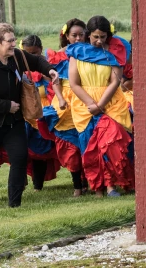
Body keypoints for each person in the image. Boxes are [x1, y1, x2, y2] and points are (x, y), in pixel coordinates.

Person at [0, 23, 58, 208]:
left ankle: (15, 203)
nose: (13, 44)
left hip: (14, 121)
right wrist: (6, 105)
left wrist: (49, 69)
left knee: (19, 158)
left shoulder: (17, 56)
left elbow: (36, 61)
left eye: (13, 40)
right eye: (10, 41)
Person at [67, 16, 134, 197]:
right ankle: (98, 187)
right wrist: (91, 104)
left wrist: (101, 105)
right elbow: (74, 83)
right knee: (91, 146)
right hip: (84, 105)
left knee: (110, 142)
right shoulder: (77, 52)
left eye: (103, 37)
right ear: (88, 35)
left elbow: (115, 81)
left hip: (110, 103)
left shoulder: (116, 51)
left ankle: (112, 185)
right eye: (95, 37)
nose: (99, 41)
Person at [43, 19, 86, 197]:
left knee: (86, 142)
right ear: (66, 36)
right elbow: (56, 81)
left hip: (86, 97)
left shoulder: (91, 54)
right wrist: (60, 98)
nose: (77, 38)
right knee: (70, 147)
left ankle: (90, 181)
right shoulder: (57, 56)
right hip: (66, 102)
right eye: (74, 35)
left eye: (81, 35)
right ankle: (77, 185)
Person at [20, 35, 61, 192]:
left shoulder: (46, 67)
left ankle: (38, 185)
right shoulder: (17, 65)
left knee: (40, 151)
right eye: (27, 53)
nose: (31, 57)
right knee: (19, 147)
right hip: (24, 113)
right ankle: (20, 177)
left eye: (35, 54)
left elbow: (54, 87)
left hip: (42, 113)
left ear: (41, 50)